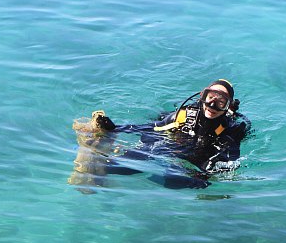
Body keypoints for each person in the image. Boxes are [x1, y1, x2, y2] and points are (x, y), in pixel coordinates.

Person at [94, 79, 251, 189]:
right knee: (117, 167)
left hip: (199, 156)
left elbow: (231, 161)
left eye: (220, 102)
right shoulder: (183, 116)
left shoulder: (230, 131)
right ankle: (102, 169)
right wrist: (114, 128)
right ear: (203, 97)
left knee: (174, 182)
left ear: (227, 106)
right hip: (173, 145)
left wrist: (209, 174)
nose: (212, 105)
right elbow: (152, 128)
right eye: (210, 98)